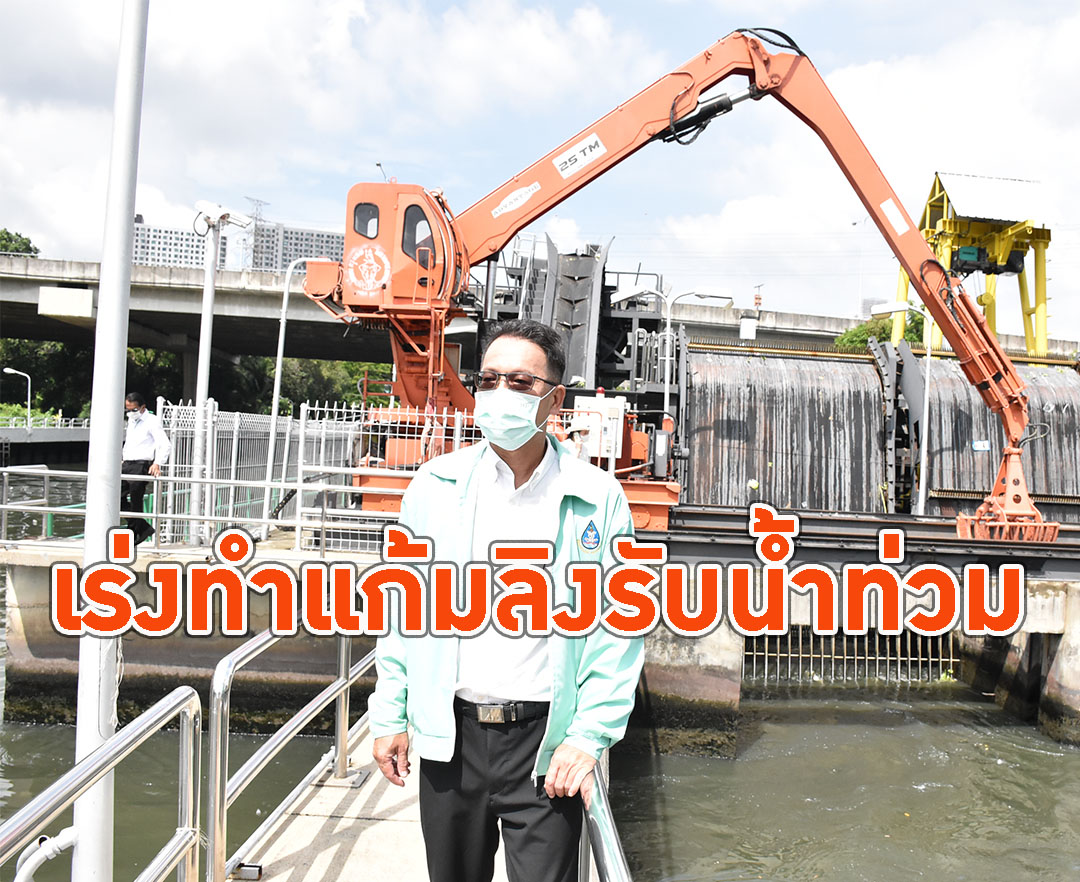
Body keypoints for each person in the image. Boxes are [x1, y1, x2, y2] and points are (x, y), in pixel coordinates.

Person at [369, 319, 644, 882]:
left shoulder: (596, 497)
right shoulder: (435, 487)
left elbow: (617, 628)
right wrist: (390, 714)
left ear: (554, 399)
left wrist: (588, 736)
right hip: (451, 738)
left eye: (520, 382)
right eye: (489, 380)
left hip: (544, 745)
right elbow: (403, 612)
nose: (500, 394)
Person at [121, 392, 172, 545]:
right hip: (127, 463)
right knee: (116, 496)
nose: (131, 413)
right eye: (128, 409)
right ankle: (143, 528)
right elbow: (130, 442)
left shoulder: (151, 421)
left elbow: (165, 444)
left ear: (143, 407)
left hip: (141, 464)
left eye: (134, 409)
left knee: (136, 498)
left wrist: (157, 463)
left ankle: (134, 532)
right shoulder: (131, 421)